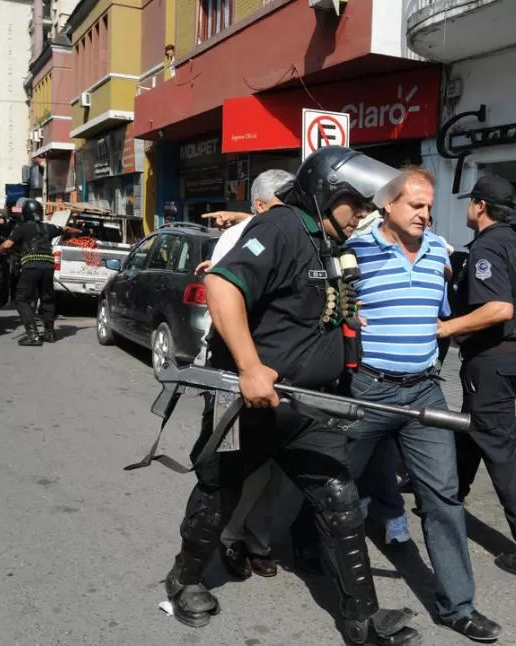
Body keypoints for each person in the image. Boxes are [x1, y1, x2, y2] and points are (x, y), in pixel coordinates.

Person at [166, 146, 420, 646]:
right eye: (357, 203)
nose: (365, 213)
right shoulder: (280, 228)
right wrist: (250, 366)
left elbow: (312, 310)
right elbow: (222, 288)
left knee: (341, 500)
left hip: (310, 405)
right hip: (252, 402)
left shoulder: (327, 241)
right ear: (328, 193)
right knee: (220, 491)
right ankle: (184, 580)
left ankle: (361, 621)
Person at [344, 166, 502, 641]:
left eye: (429, 206)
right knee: (333, 483)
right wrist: (351, 316)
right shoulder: (356, 252)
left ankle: (459, 606)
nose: (424, 215)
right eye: (415, 205)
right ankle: (307, 549)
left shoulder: (440, 253)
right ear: (388, 205)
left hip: (423, 391)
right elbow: (332, 306)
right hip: (369, 391)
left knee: (444, 500)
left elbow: (445, 314)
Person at [437, 175, 516, 580]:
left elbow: (498, 309)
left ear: (481, 206)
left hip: (490, 361)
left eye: (470, 202)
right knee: (476, 428)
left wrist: (446, 329)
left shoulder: (488, 246)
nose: (468, 208)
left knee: (500, 448)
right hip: (515, 359)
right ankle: (448, 493)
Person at [191, 169, 295, 580]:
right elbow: (222, 296)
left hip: (285, 375)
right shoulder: (241, 239)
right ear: (261, 206)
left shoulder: (295, 234)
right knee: (237, 466)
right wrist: (249, 366)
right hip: (240, 374)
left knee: (273, 470)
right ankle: (228, 538)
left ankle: (258, 541)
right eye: (282, 201)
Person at [0, 200, 75, 346]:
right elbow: (65, 229)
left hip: (31, 267)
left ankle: (32, 335)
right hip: (48, 266)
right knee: (47, 299)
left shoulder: (21, 228)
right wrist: (81, 232)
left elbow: (7, 245)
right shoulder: (48, 227)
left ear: (25, 213)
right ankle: (49, 333)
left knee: (22, 299)